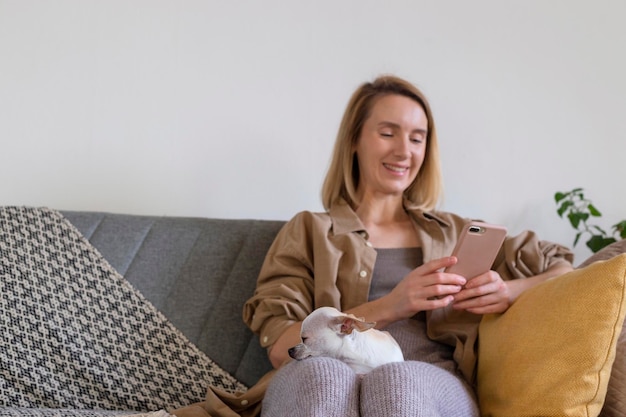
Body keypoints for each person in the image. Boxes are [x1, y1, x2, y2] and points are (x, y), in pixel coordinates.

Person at [242, 75, 574, 417]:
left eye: (418, 138)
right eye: (388, 133)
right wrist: (390, 305)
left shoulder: (455, 233)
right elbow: (283, 348)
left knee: (397, 381)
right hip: (323, 379)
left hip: (429, 381)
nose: (404, 151)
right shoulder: (311, 231)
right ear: (354, 140)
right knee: (324, 375)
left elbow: (563, 268)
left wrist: (510, 290)